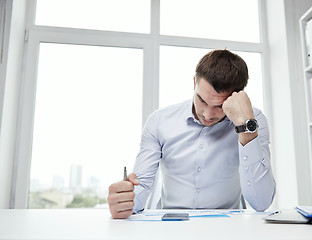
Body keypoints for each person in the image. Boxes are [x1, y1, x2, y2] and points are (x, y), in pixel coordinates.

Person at [107, 49, 276, 219]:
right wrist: (125, 201)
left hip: (226, 227)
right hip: (169, 225)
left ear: (237, 97)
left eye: (219, 106)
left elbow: (261, 203)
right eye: (202, 100)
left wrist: (245, 127)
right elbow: (141, 185)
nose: (207, 115)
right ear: (195, 82)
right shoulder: (160, 121)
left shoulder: (253, 121)